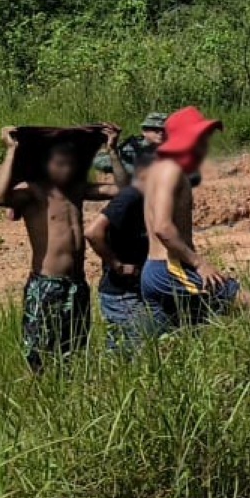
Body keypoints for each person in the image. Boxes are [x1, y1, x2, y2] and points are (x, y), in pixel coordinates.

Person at [0, 124, 120, 370]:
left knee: (73, 351)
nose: (67, 168)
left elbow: (122, 190)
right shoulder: (33, 191)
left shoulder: (77, 190)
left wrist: (113, 151)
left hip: (77, 283)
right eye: (60, 163)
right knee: (39, 354)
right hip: (47, 284)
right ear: (46, 164)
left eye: (71, 163)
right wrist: (11, 151)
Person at [140, 107, 247, 331]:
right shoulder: (170, 170)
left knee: (172, 343)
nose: (205, 145)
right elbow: (162, 227)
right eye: (201, 138)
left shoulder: (161, 170)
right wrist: (200, 264)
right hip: (170, 269)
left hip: (156, 270)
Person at [87, 137, 158, 349]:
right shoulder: (130, 197)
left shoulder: (149, 195)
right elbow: (92, 232)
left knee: (127, 351)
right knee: (139, 347)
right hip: (121, 292)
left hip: (137, 288)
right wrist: (117, 265)